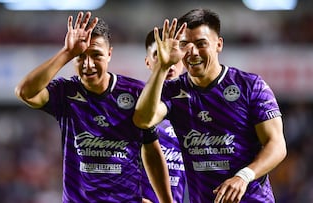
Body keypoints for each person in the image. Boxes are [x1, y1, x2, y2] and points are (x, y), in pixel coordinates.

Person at [15, 11, 173, 203]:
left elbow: (151, 149)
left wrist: (166, 201)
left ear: (109, 54)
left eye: (96, 55)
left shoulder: (135, 92)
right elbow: (25, 92)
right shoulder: (66, 92)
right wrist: (66, 52)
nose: (88, 65)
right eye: (80, 57)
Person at [133, 8, 287, 203]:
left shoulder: (250, 85)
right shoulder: (173, 92)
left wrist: (244, 176)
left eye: (201, 44)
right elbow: (143, 120)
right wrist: (161, 68)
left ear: (219, 44)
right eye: (185, 45)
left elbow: (277, 144)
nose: (193, 52)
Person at [141, 28, 187, 203]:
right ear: (148, 62)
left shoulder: (190, 110)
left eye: (173, 53)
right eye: (158, 55)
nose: (168, 62)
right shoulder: (135, 108)